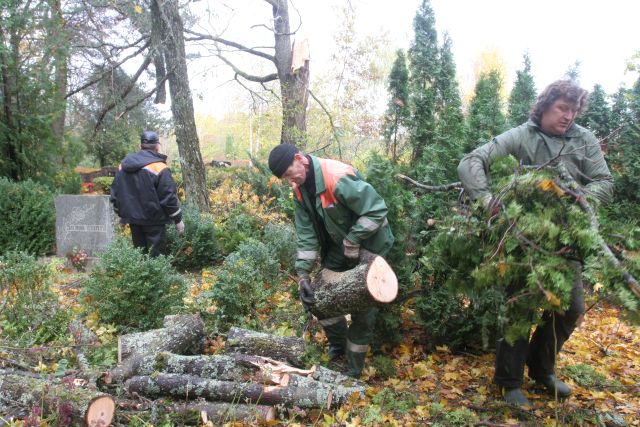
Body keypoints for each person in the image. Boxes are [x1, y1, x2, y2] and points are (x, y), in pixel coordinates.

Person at [457, 80, 614, 406]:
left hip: (567, 238)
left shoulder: (583, 140)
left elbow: (605, 182)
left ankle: (541, 367)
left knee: (571, 309)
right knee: (520, 308)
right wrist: (487, 201)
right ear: (544, 107)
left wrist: (578, 197)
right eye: (562, 108)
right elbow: (471, 161)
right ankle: (509, 382)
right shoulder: (521, 136)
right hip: (524, 239)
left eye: (573, 110)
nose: (568, 116)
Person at [268, 143, 394, 378]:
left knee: (363, 306)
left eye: (288, 174)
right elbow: (306, 235)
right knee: (319, 296)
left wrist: (353, 240)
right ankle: (338, 351)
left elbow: (376, 209)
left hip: (370, 244)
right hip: (340, 244)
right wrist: (303, 274)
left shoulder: (336, 177)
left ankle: (353, 369)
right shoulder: (299, 188)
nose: (289, 181)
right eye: (284, 178)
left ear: (299, 158)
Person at [110, 131, 185, 257]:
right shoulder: (159, 167)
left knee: (140, 255)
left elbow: (116, 193)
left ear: (140, 146)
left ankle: (141, 277)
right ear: (157, 146)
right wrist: (178, 220)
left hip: (134, 220)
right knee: (157, 258)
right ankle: (156, 277)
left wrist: (121, 215)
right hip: (154, 220)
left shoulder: (123, 166)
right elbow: (168, 198)